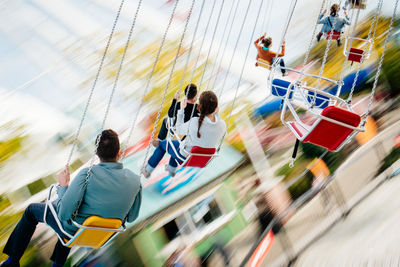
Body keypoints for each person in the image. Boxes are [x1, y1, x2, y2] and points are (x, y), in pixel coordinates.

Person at [1, 129, 142, 267]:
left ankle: (12, 262)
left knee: (33, 211)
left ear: (97, 153)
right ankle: (57, 264)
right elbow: (131, 217)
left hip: (76, 229)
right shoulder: (135, 181)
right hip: (104, 234)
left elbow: (63, 214)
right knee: (71, 213)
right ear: (118, 152)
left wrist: (63, 186)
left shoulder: (87, 174)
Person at [142, 91, 226, 178]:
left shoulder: (195, 122)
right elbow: (216, 129)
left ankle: (147, 170)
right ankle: (171, 169)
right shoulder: (223, 125)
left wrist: (181, 109)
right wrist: (216, 114)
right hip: (202, 160)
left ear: (199, 107)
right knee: (176, 144)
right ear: (216, 108)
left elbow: (178, 129)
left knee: (164, 144)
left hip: (186, 157)